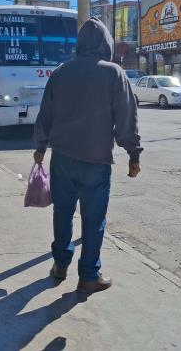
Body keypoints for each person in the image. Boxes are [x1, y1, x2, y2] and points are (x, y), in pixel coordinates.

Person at [33, 17, 142, 294]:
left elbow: (45, 114)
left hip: (62, 158)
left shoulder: (60, 72)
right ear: (106, 43)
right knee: (93, 221)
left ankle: (60, 264)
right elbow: (126, 117)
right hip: (96, 161)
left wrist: (40, 147)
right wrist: (133, 153)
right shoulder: (114, 73)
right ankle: (89, 276)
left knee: (62, 213)